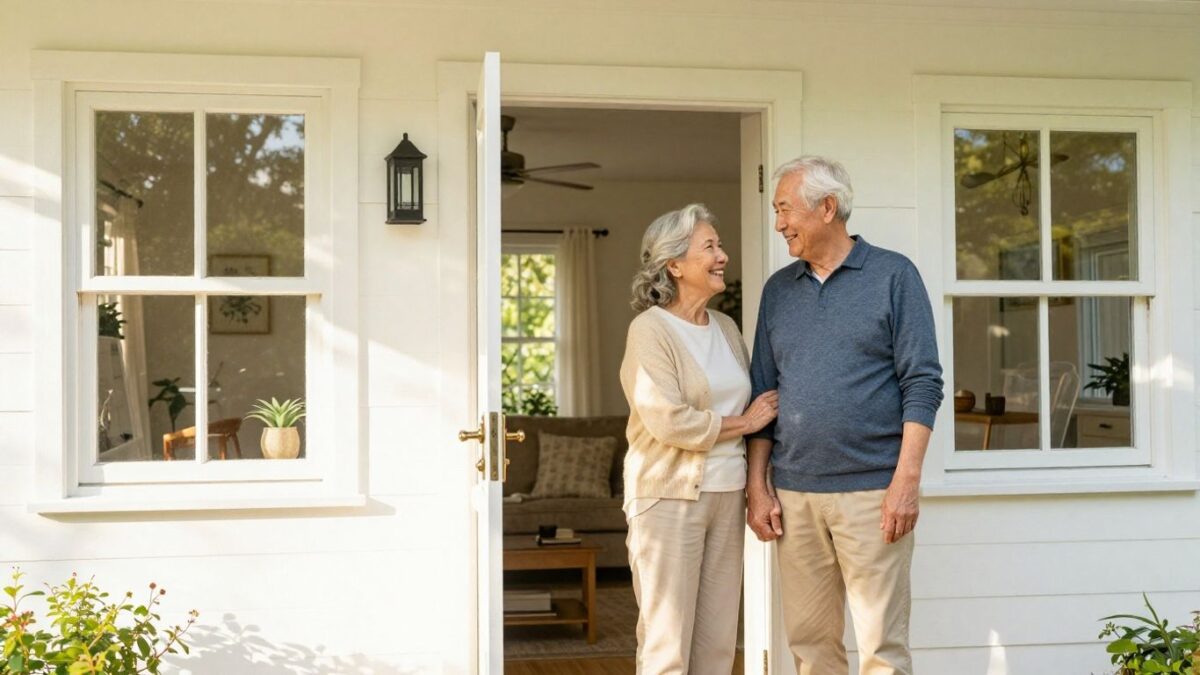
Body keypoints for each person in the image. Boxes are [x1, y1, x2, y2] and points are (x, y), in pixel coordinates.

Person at [746, 157, 944, 675]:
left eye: (785, 208)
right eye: (776, 210)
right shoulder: (777, 291)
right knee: (810, 645)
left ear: (827, 208)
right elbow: (763, 394)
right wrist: (758, 486)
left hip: (873, 493)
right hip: (794, 495)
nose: (779, 223)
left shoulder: (894, 275)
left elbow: (922, 382)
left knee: (882, 649)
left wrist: (905, 482)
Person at [619, 203, 779, 674]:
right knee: (668, 643)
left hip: (726, 496)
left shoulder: (726, 328)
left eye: (720, 245)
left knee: (716, 642)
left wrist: (757, 484)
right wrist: (743, 424)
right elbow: (667, 418)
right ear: (674, 264)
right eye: (709, 246)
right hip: (667, 497)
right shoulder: (650, 330)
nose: (722, 255)